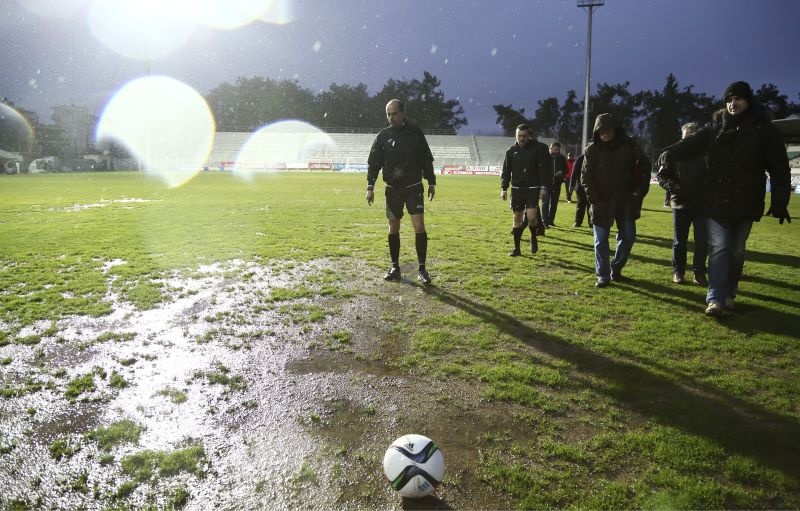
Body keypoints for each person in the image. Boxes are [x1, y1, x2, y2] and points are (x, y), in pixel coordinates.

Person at [658, 81, 791, 316]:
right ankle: (715, 299)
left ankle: (730, 292)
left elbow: (779, 166)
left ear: (748, 101)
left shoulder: (765, 130)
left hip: (746, 200)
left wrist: (780, 200)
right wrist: (669, 151)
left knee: (736, 250)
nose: (733, 103)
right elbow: (691, 144)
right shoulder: (715, 127)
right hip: (716, 199)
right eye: (729, 100)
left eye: (738, 98)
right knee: (719, 247)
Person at [366, 99, 436, 284]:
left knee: (419, 226)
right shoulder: (383, 136)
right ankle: (395, 266)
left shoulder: (416, 133)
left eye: (394, 113)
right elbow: (374, 163)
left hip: (414, 188)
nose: (391, 117)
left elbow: (426, 159)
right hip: (392, 190)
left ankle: (422, 269)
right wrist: (370, 186)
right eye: (388, 114)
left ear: (404, 113)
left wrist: (431, 182)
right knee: (393, 227)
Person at [581, 113, 651, 287]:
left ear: (615, 130)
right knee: (601, 240)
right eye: (600, 130)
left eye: (608, 129)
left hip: (625, 198)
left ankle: (616, 269)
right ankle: (602, 275)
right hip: (600, 200)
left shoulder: (630, 146)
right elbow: (586, 178)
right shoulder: (591, 150)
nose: (604, 133)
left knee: (628, 236)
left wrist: (639, 191)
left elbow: (645, 167)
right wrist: (595, 200)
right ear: (596, 131)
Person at [656, 122, 708, 286]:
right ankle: (678, 271)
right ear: (681, 137)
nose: (689, 141)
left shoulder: (707, 153)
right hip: (680, 203)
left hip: (702, 204)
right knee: (680, 241)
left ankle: (699, 273)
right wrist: (675, 188)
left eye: (693, 137)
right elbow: (662, 177)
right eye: (686, 137)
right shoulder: (672, 153)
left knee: (702, 241)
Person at [501, 123, 551, 256]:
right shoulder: (510, 151)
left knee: (531, 218)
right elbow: (506, 171)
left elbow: (543, 170)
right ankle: (516, 249)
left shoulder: (538, 149)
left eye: (524, 136)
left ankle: (533, 237)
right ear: (515, 136)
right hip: (517, 189)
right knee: (517, 218)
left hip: (532, 189)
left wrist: (543, 187)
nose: (521, 138)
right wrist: (504, 188)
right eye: (519, 136)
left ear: (529, 136)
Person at [541, 141, 568, 226]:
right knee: (545, 203)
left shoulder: (562, 158)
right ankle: (544, 221)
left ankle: (551, 221)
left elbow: (566, 169)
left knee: (554, 204)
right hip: (546, 184)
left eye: (558, 150)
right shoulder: (545, 157)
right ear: (550, 148)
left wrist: (562, 172)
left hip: (557, 184)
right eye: (555, 149)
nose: (556, 151)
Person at [568, 153, 592, 228]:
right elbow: (574, 173)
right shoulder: (580, 159)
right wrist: (571, 185)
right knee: (581, 204)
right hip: (581, 186)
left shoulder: (595, 157)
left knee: (590, 205)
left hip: (592, 186)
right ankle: (578, 222)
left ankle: (591, 223)